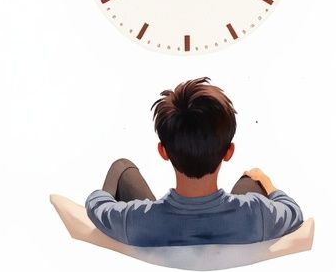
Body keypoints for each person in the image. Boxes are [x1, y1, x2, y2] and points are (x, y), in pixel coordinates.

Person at [85, 77, 304, 246]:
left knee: (121, 166)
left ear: (163, 151)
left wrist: (102, 199)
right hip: (234, 225)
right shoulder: (257, 215)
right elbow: (293, 211)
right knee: (252, 179)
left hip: (160, 225)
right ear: (229, 152)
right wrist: (267, 182)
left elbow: (95, 205)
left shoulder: (134, 220)